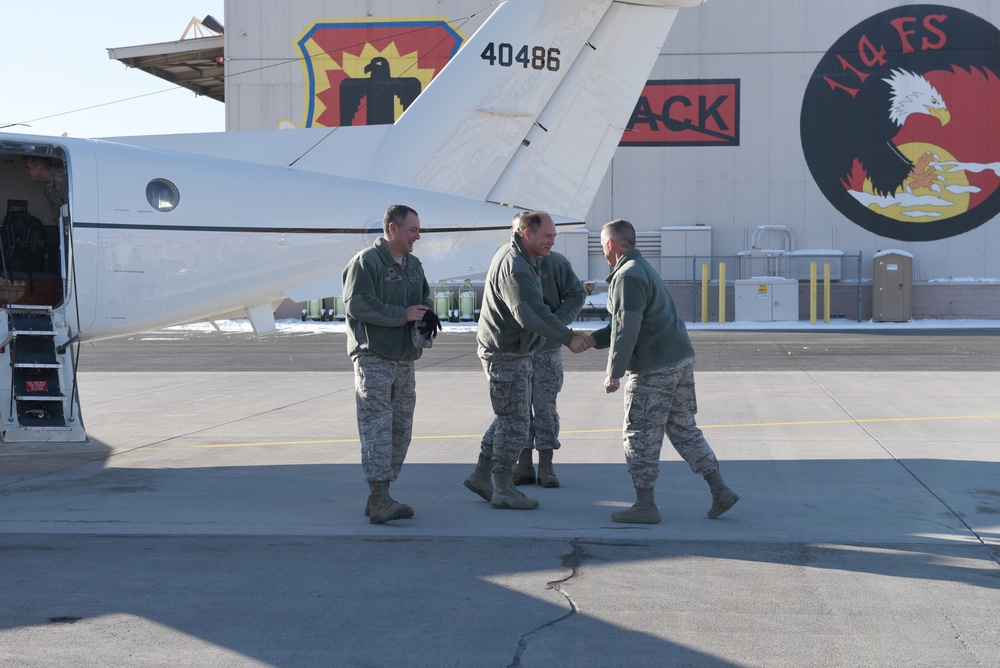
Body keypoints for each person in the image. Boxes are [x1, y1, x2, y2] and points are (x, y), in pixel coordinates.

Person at [571, 219, 739, 523]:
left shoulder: (627, 276)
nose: (603, 252)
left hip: (654, 368)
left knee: (639, 434)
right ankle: (720, 489)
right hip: (679, 360)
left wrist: (615, 372)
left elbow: (627, 328)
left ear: (610, 245)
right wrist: (593, 340)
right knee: (683, 427)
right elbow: (623, 322)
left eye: (602, 246)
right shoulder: (642, 269)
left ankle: (645, 506)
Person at [463, 210, 590, 510]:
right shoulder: (515, 265)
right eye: (547, 236)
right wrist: (567, 336)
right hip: (506, 353)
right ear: (525, 233)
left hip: (516, 350)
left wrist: (557, 328)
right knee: (517, 421)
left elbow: (561, 300)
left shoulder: (526, 259)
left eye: (554, 236)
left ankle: (482, 474)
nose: (552, 241)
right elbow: (528, 313)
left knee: (510, 415)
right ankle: (504, 487)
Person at [342, 204, 440, 524]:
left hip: (404, 358)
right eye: (413, 229)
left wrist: (428, 315)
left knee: (401, 430)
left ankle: (382, 493)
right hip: (374, 357)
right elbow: (357, 305)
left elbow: (423, 298)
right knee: (378, 429)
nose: (418, 235)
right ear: (393, 229)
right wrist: (403, 315)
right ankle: (379, 495)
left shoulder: (413, 264)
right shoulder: (366, 262)